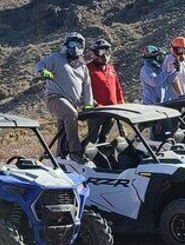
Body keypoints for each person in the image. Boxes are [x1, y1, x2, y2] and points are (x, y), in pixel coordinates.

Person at [35, 32, 94, 163]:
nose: (74, 47)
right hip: (55, 98)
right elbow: (39, 66)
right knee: (71, 114)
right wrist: (43, 71)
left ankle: (60, 158)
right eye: (72, 43)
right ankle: (75, 152)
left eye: (78, 44)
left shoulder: (82, 66)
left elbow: (87, 87)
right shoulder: (56, 58)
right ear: (66, 44)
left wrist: (88, 103)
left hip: (72, 102)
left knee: (63, 130)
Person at [87, 39, 124, 106]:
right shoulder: (88, 69)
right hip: (97, 111)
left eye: (107, 52)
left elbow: (117, 89)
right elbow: (84, 92)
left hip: (114, 109)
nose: (104, 55)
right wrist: (95, 104)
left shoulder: (111, 69)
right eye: (101, 52)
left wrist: (122, 104)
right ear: (94, 53)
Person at [163, 36, 185, 100]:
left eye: (183, 50)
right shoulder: (170, 59)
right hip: (174, 98)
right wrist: (180, 95)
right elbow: (173, 79)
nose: (181, 52)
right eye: (179, 50)